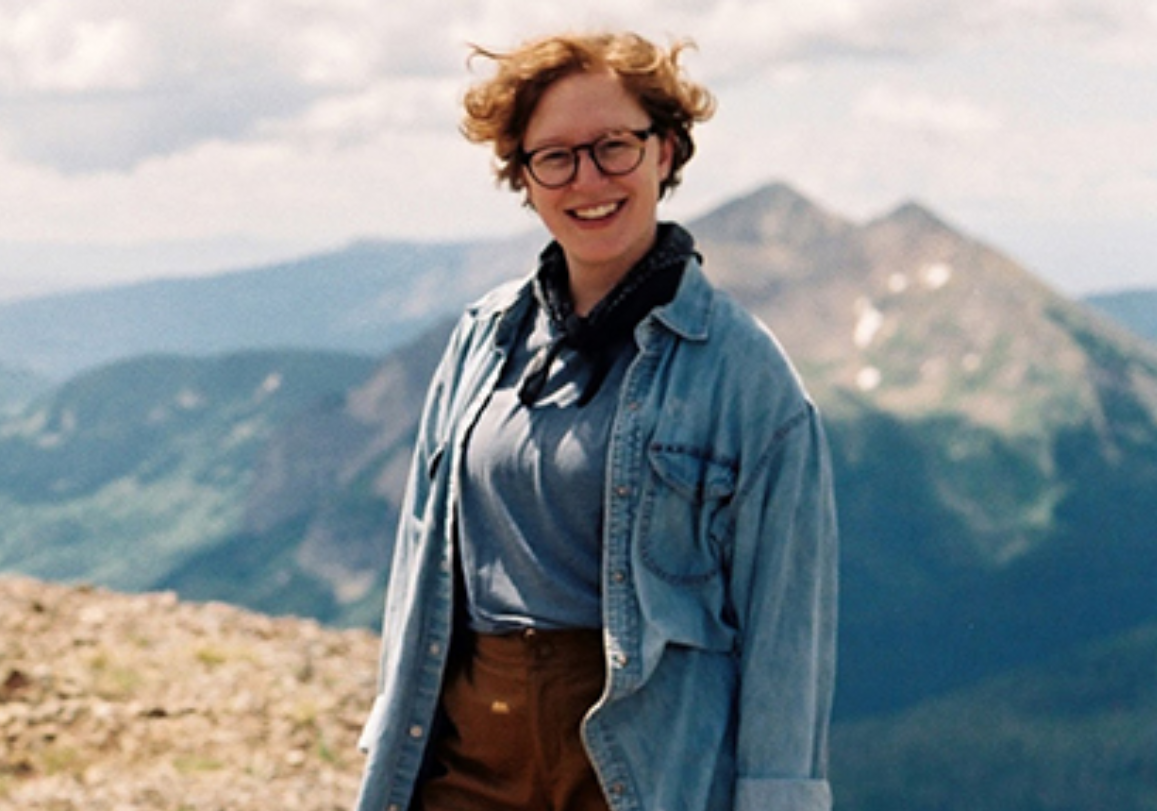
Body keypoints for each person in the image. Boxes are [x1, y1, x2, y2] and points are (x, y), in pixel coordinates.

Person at [354, 31, 838, 811]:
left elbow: (789, 631)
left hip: (642, 772)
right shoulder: (483, 337)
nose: (587, 179)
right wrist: (391, 726)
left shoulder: (747, 375)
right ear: (523, 176)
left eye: (613, 146)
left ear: (666, 151)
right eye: (554, 156)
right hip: (465, 759)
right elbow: (419, 560)